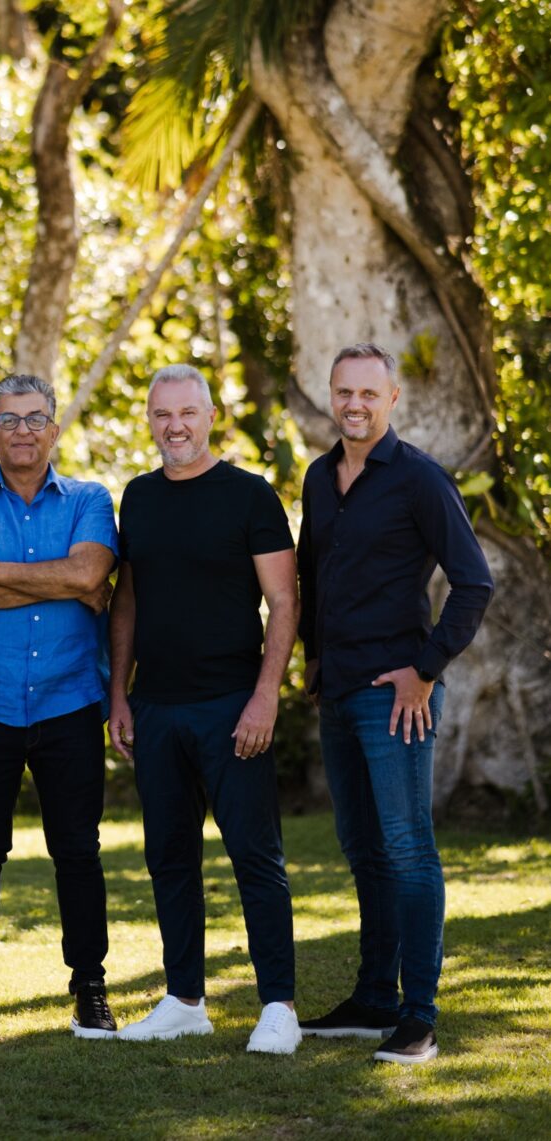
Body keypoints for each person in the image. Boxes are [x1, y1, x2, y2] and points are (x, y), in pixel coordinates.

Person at [296, 343, 494, 1064]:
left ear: (392, 399)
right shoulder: (319, 478)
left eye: (368, 394)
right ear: (331, 395)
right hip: (337, 691)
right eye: (343, 392)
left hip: (396, 699)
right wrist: (313, 655)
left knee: (409, 851)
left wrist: (425, 670)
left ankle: (418, 1017)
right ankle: (374, 997)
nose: (354, 405)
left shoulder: (419, 479)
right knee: (364, 849)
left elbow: (473, 583)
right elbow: (312, 574)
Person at [108, 364, 301, 1054]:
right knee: (169, 857)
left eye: (187, 412)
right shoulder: (138, 497)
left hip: (232, 705)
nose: (176, 426)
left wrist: (265, 695)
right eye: (163, 414)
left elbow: (284, 601)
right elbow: (127, 600)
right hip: (157, 709)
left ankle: (279, 1005)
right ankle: (185, 999)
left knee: (254, 854)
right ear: (150, 420)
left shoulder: (249, 495)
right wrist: (119, 692)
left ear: (211, 416)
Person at [0, 374, 119, 1042]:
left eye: (35, 418)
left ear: (54, 430)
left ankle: (90, 990)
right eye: (9, 420)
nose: (22, 431)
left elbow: (90, 573)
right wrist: (65, 583)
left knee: (78, 849)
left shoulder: (91, 499)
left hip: (71, 699)